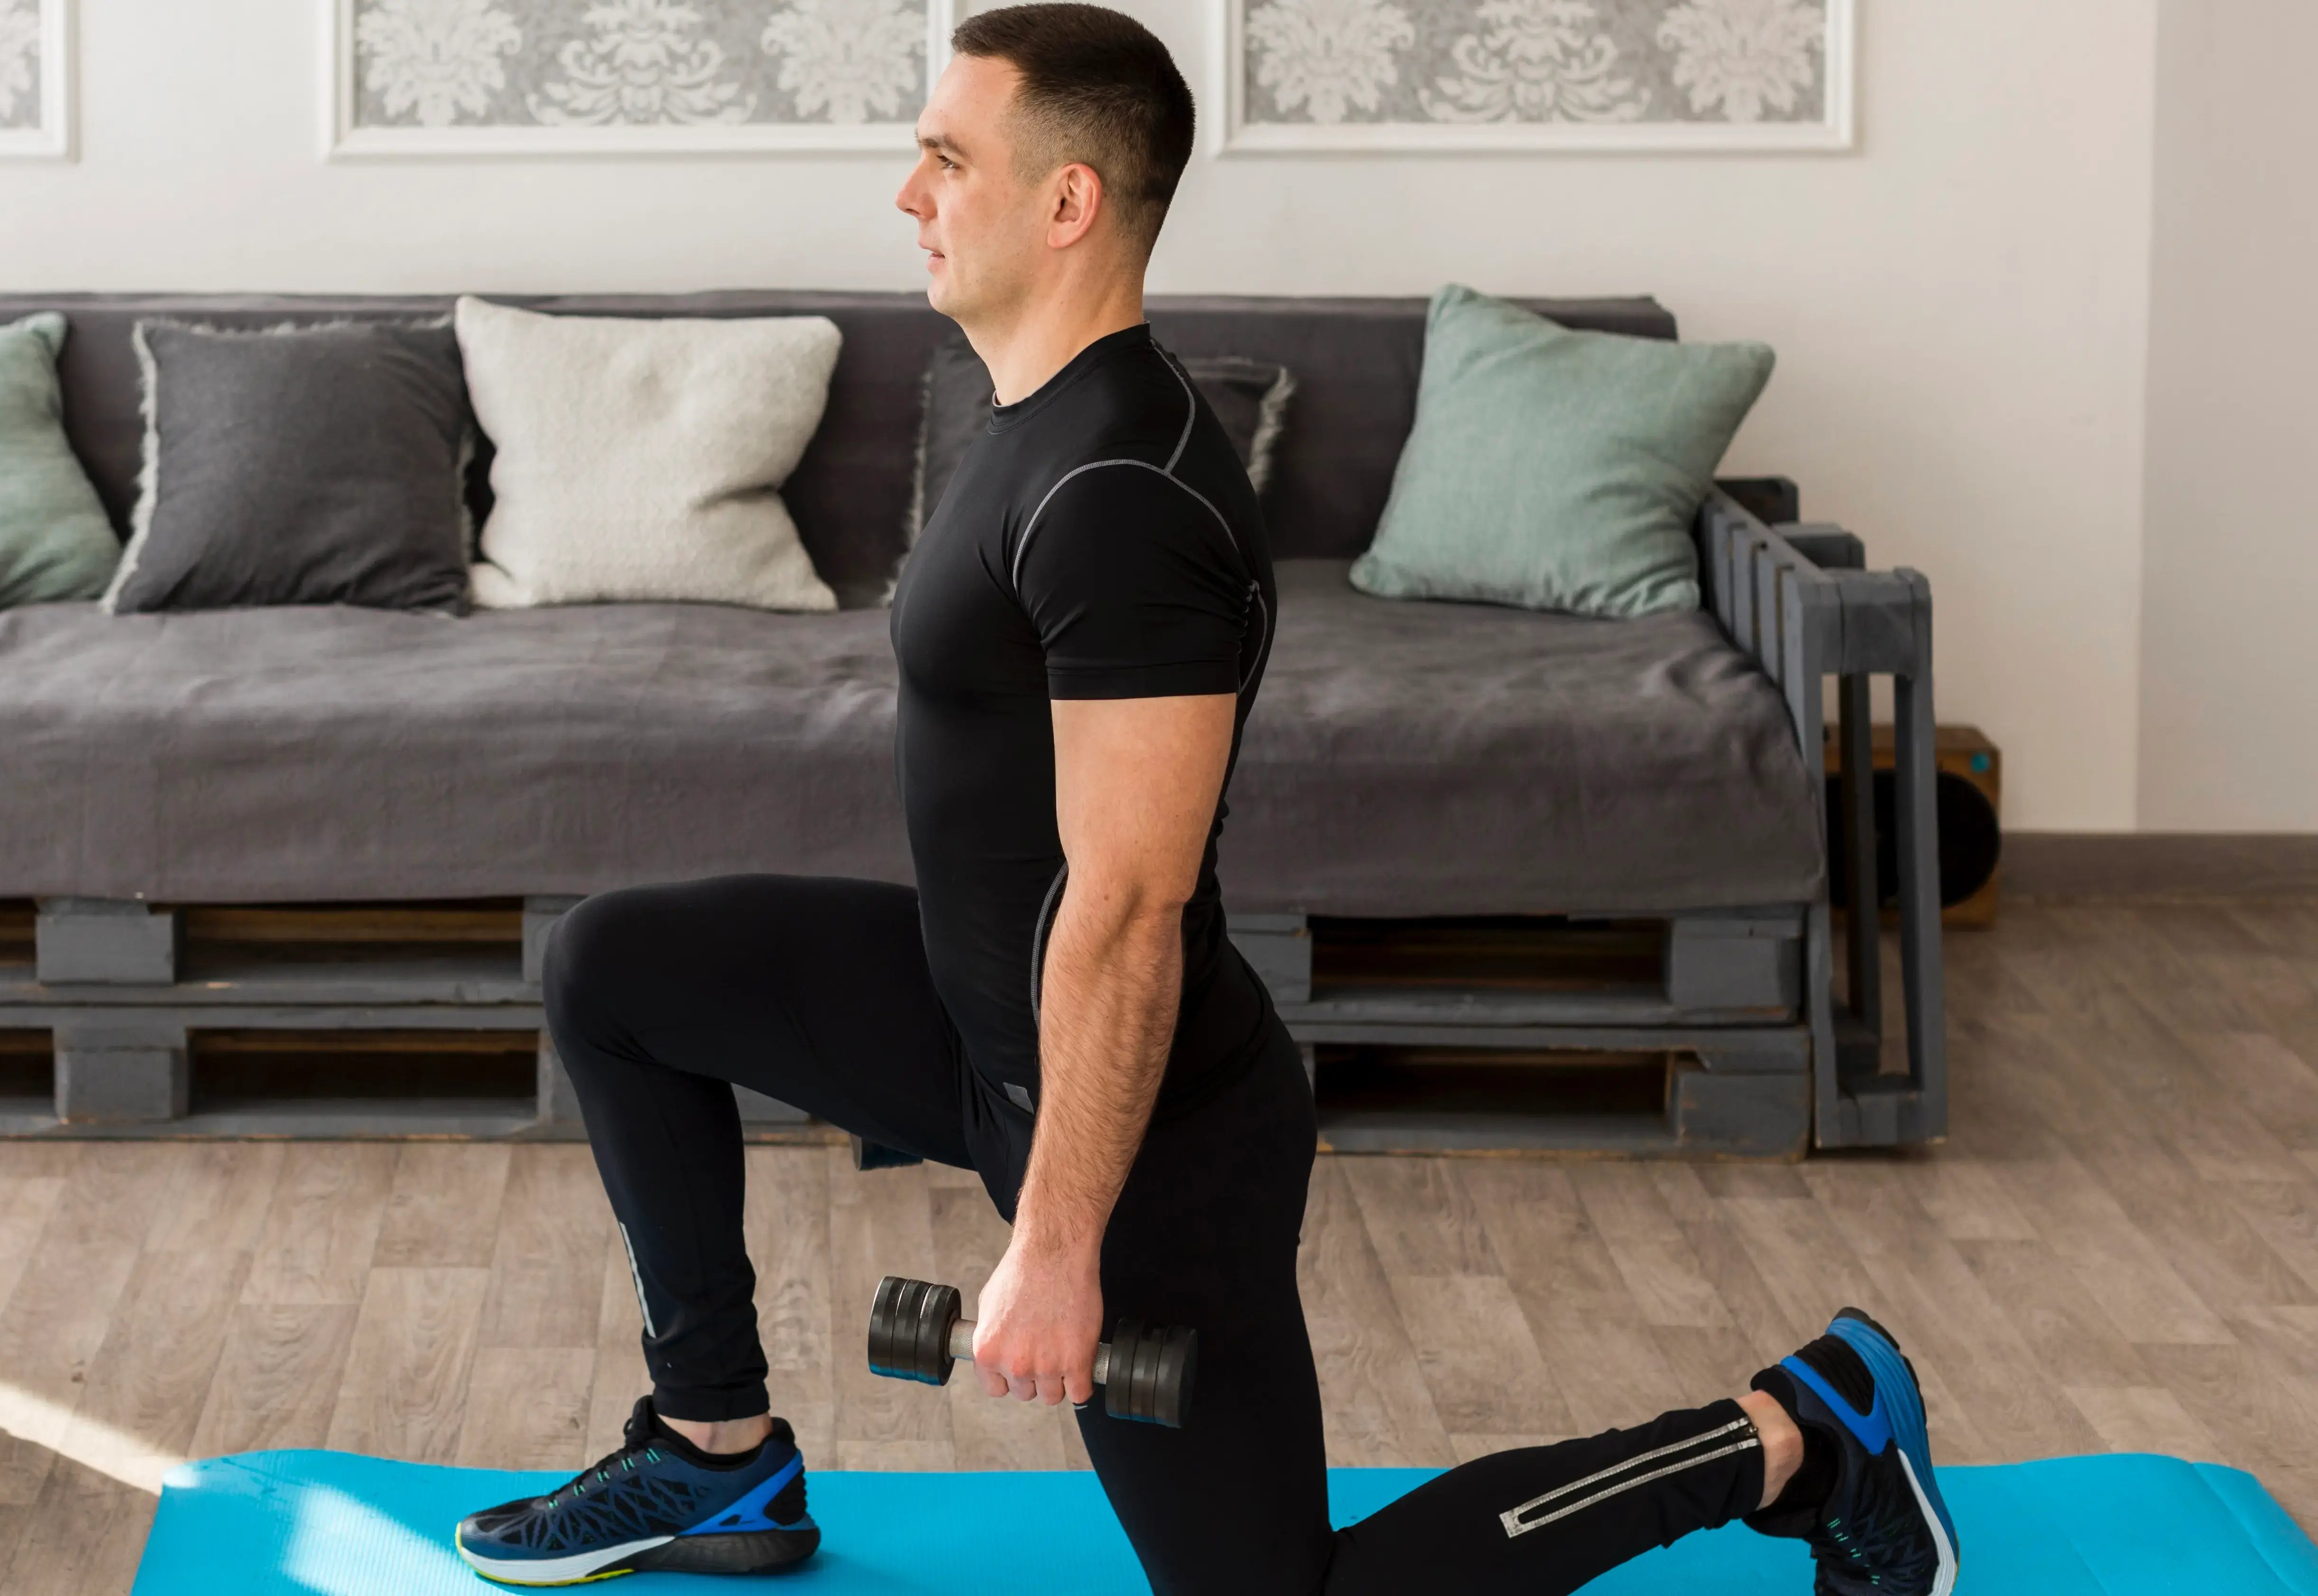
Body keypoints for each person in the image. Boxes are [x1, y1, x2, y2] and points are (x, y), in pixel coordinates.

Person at [449, 7, 1958, 1593]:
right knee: (616, 966)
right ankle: (715, 1460)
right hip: (982, 1034)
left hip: (1146, 1121)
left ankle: (1800, 1427)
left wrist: (1056, 1238)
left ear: (1070, 201)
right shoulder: (1033, 421)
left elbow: (1129, 901)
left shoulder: (1124, 500)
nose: (911, 195)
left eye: (947, 158)